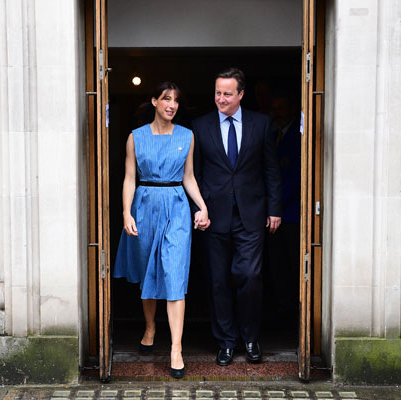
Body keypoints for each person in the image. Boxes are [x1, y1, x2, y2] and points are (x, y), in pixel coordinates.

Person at [113, 82, 210, 379]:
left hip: (177, 208)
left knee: (175, 272)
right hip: (145, 206)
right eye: (166, 99)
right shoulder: (135, 138)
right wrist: (126, 212)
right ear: (154, 101)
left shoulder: (187, 136)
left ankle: (176, 349)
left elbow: (189, 177)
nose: (172, 105)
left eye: (176, 101)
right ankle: (151, 327)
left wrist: (202, 207)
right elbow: (130, 178)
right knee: (148, 272)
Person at [192, 68, 282, 366]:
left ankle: (251, 338)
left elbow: (271, 168)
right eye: (218, 92)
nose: (221, 98)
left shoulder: (261, 123)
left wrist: (274, 209)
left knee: (249, 276)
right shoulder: (200, 125)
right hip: (214, 217)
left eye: (227, 93)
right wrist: (199, 208)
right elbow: (196, 173)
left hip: (251, 214)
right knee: (218, 281)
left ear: (241, 94)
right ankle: (226, 342)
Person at [267, 94, 301, 316]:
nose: (278, 112)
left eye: (282, 107)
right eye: (275, 108)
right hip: (272, 212)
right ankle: (282, 307)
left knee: (292, 264)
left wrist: (276, 207)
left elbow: (298, 177)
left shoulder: (299, 137)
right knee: (275, 264)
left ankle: (293, 310)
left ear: (291, 109)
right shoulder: (272, 135)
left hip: (292, 213)